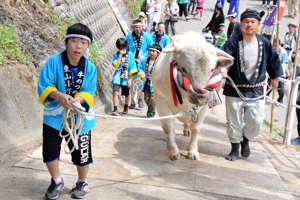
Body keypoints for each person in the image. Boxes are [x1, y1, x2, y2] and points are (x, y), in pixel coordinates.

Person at [37, 23, 96, 199]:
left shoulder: (90, 68)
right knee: (49, 150)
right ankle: (56, 181)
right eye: (74, 41)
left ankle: (82, 182)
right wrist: (58, 95)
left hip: (80, 118)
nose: (79, 46)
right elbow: (44, 85)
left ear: (87, 46)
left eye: (84, 43)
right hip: (54, 116)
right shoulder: (53, 61)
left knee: (82, 152)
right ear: (66, 42)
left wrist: (79, 99)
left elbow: (89, 91)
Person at [221, 9, 281, 161]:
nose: (249, 25)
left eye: (253, 22)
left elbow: (274, 61)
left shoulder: (265, 43)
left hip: (256, 88)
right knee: (233, 120)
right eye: (246, 22)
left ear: (258, 25)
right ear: (241, 24)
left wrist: (275, 77)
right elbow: (225, 59)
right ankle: (234, 148)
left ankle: (246, 140)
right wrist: (223, 69)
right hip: (234, 87)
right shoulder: (232, 42)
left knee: (256, 120)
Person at [125, 20, 154, 109]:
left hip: (143, 61)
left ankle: (140, 99)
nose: (138, 29)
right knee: (134, 82)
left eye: (139, 27)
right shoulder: (128, 37)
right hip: (132, 62)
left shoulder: (147, 37)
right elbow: (125, 50)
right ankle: (133, 102)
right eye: (136, 27)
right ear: (133, 27)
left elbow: (151, 48)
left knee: (142, 80)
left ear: (142, 27)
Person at [111, 38, 138, 115]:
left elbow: (133, 67)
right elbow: (117, 66)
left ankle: (126, 106)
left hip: (127, 76)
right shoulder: (115, 55)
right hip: (118, 76)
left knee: (126, 94)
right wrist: (119, 56)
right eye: (120, 48)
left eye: (123, 48)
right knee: (115, 92)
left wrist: (130, 79)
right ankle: (115, 108)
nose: (121, 49)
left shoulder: (130, 55)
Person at [137, 44, 162, 118]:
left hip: (155, 83)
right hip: (146, 81)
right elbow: (139, 66)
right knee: (146, 98)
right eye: (150, 51)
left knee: (152, 99)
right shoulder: (145, 60)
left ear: (158, 53)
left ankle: (151, 112)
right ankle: (150, 109)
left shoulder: (159, 62)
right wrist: (141, 73)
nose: (151, 52)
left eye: (153, 51)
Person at [267, 39, 288, 104]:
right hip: (272, 73)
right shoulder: (271, 51)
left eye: (276, 46)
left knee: (280, 89)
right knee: (269, 87)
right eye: (273, 46)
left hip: (280, 73)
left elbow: (284, 63)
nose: (274, 47)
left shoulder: (283, 52)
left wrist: (277, 71)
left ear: (280, 45)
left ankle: (280, 100)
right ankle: (265, 97)